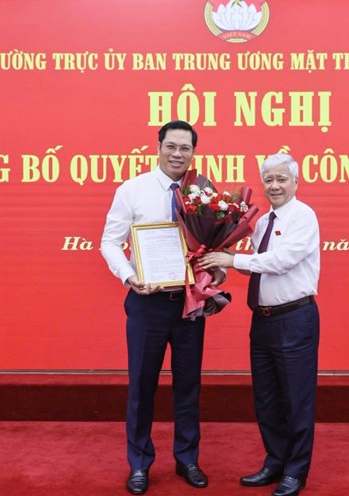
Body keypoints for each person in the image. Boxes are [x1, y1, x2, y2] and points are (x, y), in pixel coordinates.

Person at [101, 120, 223, 494]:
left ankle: (187, 459)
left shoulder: (204, 191)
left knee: (188, 385)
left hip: (189, 305)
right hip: (147, 304)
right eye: (171, 146)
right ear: (157, 147)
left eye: (185, 148)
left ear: (193, 152)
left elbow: (213, 243)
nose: (177, 154)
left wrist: (215, 273)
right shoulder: (133, 190)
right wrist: (128, 276)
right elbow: (109, 242)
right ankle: (139, 464)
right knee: (142, 386)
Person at [198, 153, 320, 496]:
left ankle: (296, 470)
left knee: (296, 399)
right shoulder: (264, 221)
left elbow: (282, 261)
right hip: (263, 322)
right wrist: (218, 269)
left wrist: (233, 259)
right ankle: (275, 461)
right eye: (269, 179)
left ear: (296, 182)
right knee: (266, 399)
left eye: (282, 179)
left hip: (295, 318)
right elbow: (256, 265)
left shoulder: (303, 216)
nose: (275, 185)